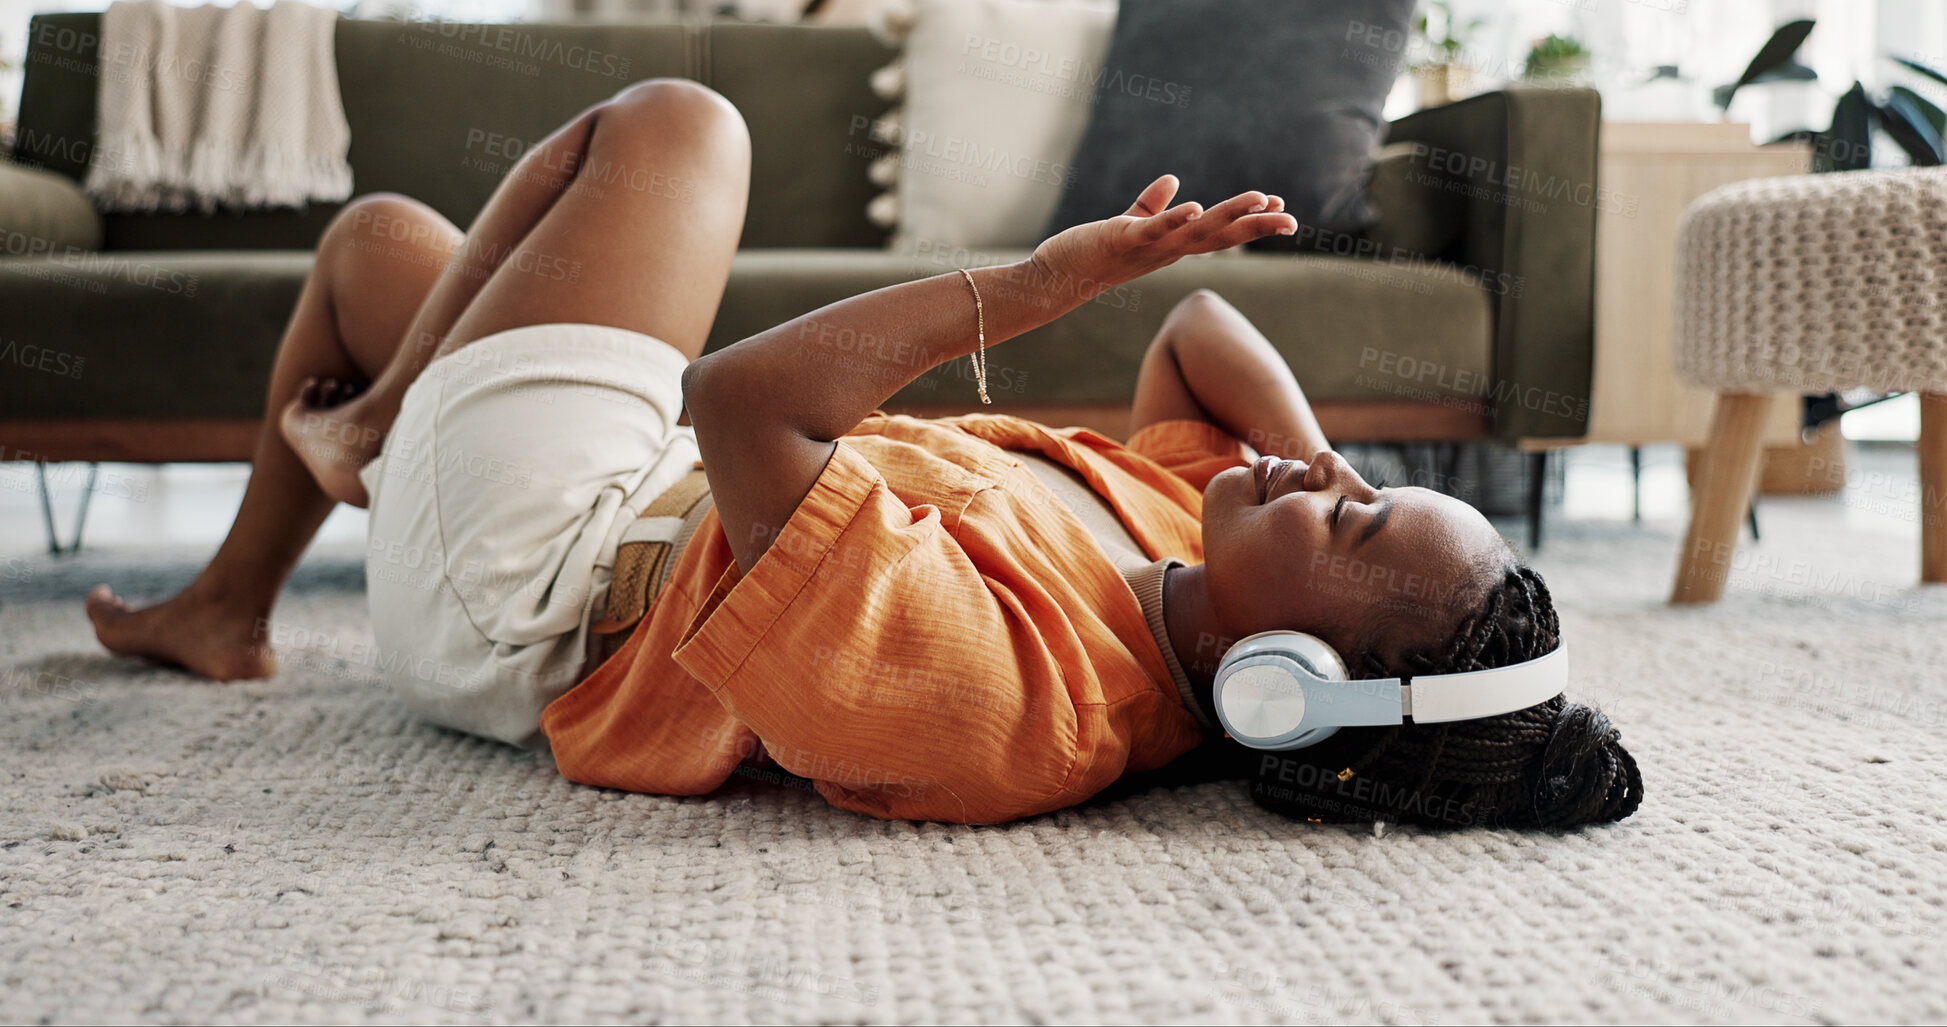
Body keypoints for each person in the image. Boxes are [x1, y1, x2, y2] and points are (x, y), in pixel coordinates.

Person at [87, 80, 1640, 828]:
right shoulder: (1187, 551)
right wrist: (1327, 478)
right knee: (382, 249)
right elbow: (1206, 330)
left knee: (678, 132)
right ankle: (233, 604)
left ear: (1284, 681)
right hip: (641, 497)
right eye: (1368, 485)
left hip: (541, 591)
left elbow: (739, 402)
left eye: (1355, 531)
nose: (1323, 483)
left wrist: (1034, 288)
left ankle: (370, 436)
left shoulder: (1020, 703)